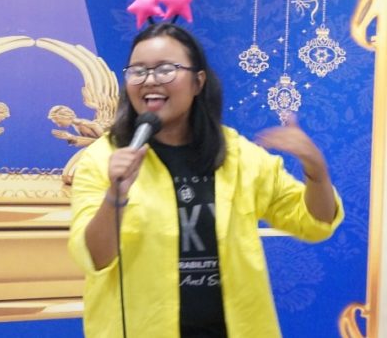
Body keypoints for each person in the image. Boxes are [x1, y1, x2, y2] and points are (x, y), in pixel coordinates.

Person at [67, 22, 343, 338]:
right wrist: (115, 196)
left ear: (198, 81)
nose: (150, 80)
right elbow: (94, 258)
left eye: (165, 69)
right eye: (138, 71)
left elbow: (314, 222)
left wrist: (316, 171)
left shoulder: (238, 154)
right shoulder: (104, 158)